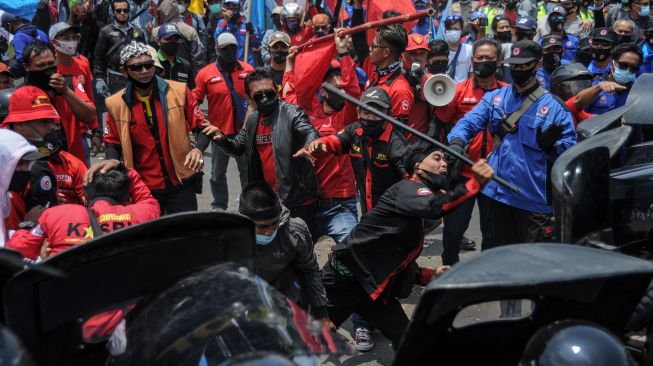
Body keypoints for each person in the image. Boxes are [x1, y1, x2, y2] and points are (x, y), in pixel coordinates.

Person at [321, 142, 494, 349]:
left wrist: (428, 275)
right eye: (437, 158)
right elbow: (435, 208)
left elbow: (393, 258)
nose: (444, 164)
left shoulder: (414, 205)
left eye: (445, 160)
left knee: (408, 342)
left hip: (373, 289)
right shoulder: (408, 188)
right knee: (309, 338)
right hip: (344, 281)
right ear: (418, 166)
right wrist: (474, 184)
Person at [448, 40, 576, 249]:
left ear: (537, 65)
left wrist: (552, 148)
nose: (517, 70)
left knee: (531, 266)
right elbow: (468, 122)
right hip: (497, 196)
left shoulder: (554, 108)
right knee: (495, 261)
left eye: (523, 65)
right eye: (514, 66)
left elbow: (571, 150)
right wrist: (456, 141)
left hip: (533, 201)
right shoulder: (495, 98)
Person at [209, 68, 321, 239]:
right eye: (258, 95)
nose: (265, 98)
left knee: (301, 249)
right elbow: (238, 147)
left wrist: (309, 144)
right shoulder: (253, 119)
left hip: (298, 200)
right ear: (249, 98)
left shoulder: (292, 112)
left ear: (277, 90)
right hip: (269, 202)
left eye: (269, 93)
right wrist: (221, 139)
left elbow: (308, 130)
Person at [103, 41, 209, 214]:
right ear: (124, 71)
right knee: (153, 238)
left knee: (186, 235)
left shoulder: (180, 91)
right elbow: (112, 143)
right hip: (144, 188)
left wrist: (198, 149)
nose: (144, 71)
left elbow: (202, 127)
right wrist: (112, 164)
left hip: (182, 182)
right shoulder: (115, 104)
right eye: (137, 68)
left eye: (148, 65)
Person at [284, 33, 360, 245]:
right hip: (307, 200)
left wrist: (343, 52)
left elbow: (353, 91)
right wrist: (290, 66)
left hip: (340, 201)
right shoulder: (307, 114)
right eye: (335, 84)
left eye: (341, 80)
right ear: (322, 90)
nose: (340, 87)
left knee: (352, 250)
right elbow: (289, 98)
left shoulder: (348, 116)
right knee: (294, 253)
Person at [435, 38, 506, 264]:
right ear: (472, 60)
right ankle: (448, 272)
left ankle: (485, 275)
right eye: (479, 58)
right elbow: (443, 120)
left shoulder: (508, 93)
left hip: (494, 176)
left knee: (493, 233)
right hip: (463, 174)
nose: (483, 62)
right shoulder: (456, 91)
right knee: (453, 231)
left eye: (489, 58)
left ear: (499, 61)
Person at [6, 159, 160, 260]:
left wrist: (26, 224)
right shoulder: (142, 213)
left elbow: (17, 248)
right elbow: (147, 199)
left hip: (73, 303)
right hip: (125, 303)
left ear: (85, 198)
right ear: (127, 199)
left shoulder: (55, 215)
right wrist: (123, 168)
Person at [295, 87, 408, 215]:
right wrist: (316, 145)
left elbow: (412, 180)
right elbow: (334, 141)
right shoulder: (355, 131)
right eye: (366, 112)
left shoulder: (396, 143)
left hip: (395, 218)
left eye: (378, 113)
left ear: (389, 115)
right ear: (358, 112)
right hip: (368, 217)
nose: (371, 117)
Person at [237, 182, 330, 324]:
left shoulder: (295, 231)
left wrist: (322, 313)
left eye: (274, 223)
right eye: (262, 227)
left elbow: (309, 271)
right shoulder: (230, 238)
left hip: (288, 299)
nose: (269, 232)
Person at [193, 32, 252, 211]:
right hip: (219, 132)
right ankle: (219, 205)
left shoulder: (248, 70)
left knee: (247, 172)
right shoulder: (205, 74)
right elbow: (194, 101)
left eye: (232, 48)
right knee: (218, 173)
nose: (229, 52)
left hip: (245, 131)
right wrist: (201, 126)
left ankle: (248, 204)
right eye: (225, 48)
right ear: (217, 49)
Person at [4, 86, 87, 208]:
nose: (52, 127)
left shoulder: (70, 163)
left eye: (52, 121)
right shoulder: (5, 165)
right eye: (44, 121)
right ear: (20, 124)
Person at [22, 41, 97, 166]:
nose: (47, 69)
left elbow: (90, 117)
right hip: (40, 166)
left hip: (74, 165)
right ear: (27, 67)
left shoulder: (69, 83)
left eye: (51, 63)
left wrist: (66, 91)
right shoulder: (23, 95)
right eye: (41, 66)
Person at [351, 2, 414, 121]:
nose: (370, 48)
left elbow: (395, 134)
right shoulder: (375, 67)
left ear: (386, 52)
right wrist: (358, 5)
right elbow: (358, 40)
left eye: (374, 46)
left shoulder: (400, 89)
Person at [49, 22, 99, 165]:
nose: (71, 42)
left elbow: (90, 97)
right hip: (57, 134)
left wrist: (96, 131)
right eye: (65, 38)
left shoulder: (83, 63)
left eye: (73, 37)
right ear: (54, 42)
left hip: (81, 134)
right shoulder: (48, 68)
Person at [0, 129, 47, 247]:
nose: (25, 169)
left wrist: (26, 225)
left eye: (27, 164)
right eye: (19, 163)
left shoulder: (4, 195)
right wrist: (29, 224)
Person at [94, 0, 147, 96]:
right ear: (113, 13)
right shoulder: (106, 31)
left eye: (125, 10)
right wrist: (99, 78)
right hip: (115, 77)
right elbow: (98, 56)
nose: (122, 13)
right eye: (119, 11)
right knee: (118, 108)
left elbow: (145, 54)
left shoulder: (138, 31)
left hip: (135, 76)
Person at [576, 43, 643, 114]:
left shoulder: (637, 94)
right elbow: (577, 106)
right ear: (612, 64)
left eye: (633, 68)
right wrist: (598, 88)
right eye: (623, 65)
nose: (628, 70)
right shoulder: (594, 85)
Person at [154, 0, 206, 75]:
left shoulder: (156, 31)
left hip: (163, 76)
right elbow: (198, 60)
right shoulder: (190, 30)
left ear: (164, 13)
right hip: (185, 74)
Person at [403, 33, 433, 141]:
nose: (418, 58)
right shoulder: (394, 80)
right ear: (403, 54)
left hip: (421, 146)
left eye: (422, 53)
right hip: (396, 145)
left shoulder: (432, 81)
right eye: (413, 53)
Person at [213, 0, 261, 65]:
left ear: (239, 6)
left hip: (246, 64)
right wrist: (225, 21)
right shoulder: (222, 23)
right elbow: (217, 40)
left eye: (234, 5)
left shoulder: (247, 23)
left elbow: (257, 44)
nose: (231, 7)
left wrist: (252, 33)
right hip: (228, 65)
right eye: (228, 5)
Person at [1, 13, 49, 78]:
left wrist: (10, 73)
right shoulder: (39, 30)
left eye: (6, 28)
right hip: (50, 69)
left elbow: (21, 61)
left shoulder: (19, 37)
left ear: (9, 25)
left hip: (35, 75)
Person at [155, 23, 194, 88]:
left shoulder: (185, 65)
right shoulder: (152, 64)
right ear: (158, 41)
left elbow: (192, 91)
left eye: (176, 39)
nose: (172, 42)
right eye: (168, 39)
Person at [444, 15, 473, 82]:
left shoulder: (469, 49)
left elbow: (471, 74)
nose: (453, 32)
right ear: (445, 31)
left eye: (456, 29)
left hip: (463, 91)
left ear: (462, 31)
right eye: (450, 29)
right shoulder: (440, 50)